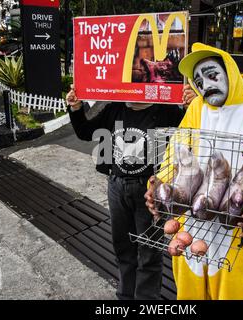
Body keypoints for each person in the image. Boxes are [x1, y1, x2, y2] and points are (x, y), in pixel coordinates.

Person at [144, 43, 243, 300]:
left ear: (230, 72)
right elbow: (176, 154)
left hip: (235, 228)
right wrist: (160, 185)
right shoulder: (196, 110)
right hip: (191, 221)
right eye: (198, 81)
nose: (206, 85)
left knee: (232, 292)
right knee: (189, 292)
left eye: (212, 74)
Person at [66, 87, 187, 300]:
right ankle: (125, 296)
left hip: (150, 192)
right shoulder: (114, 109)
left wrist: (190, 107)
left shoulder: (167, 111)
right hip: (117, 186)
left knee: (149, 251)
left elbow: (190, 133)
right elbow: (85, 131)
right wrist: (76, 107)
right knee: (123, 247)